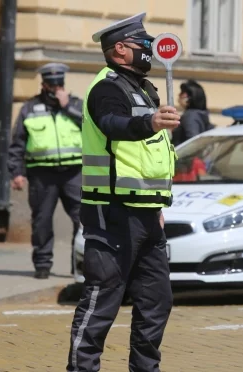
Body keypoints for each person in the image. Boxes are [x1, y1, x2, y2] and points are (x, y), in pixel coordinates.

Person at [66, 12, 181, 372]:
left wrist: (158, 203)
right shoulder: (106, 88)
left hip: (147, 213)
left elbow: (151, 157)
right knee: (103, 298)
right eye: (142, 45)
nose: (149, 50)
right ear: (119, 50)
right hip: (111, 210)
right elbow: (112, 125)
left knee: (156, 301)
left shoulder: (145, 88)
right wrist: (149, 122)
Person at [7, 62, 84, 279]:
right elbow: (18, 143)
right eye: (52, 84)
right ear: (44, 85)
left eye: (59, 83)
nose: (56, 88)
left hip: (73, 173)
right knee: (42, 221)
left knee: (83, 219)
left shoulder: (76, 105)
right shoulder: (30, 108)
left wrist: (68, 107)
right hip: (42, 175)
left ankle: (77, 264)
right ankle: (42, 264)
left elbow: (93, 128)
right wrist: (16, 172)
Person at [171, 79, 213, 147]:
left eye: (182, 93)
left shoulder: (190, 116)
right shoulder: (201, 114)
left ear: (189, 98)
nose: (179, 95)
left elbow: (192, 142)